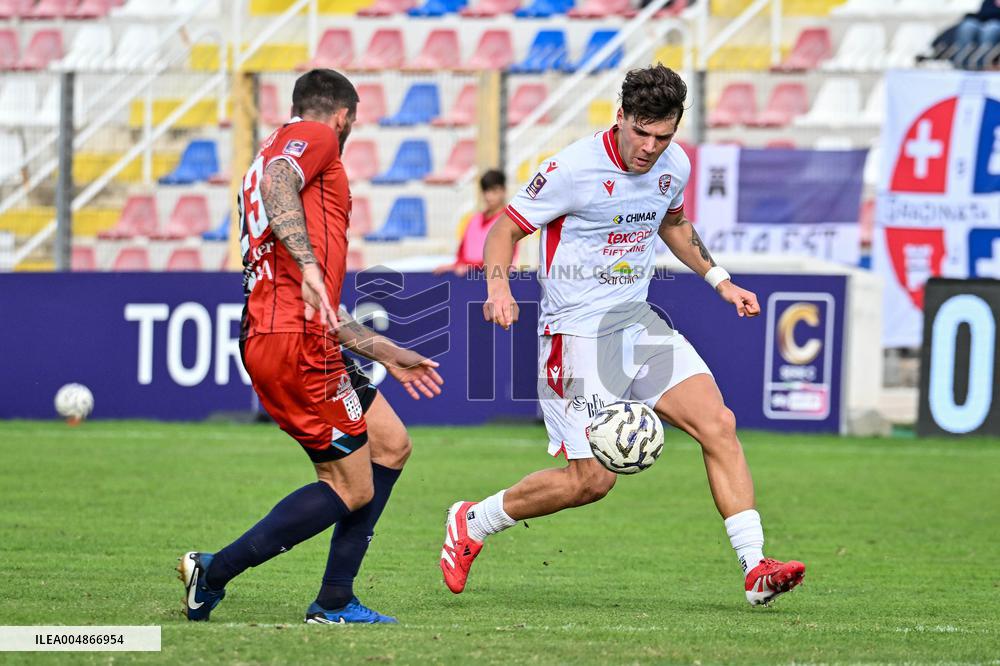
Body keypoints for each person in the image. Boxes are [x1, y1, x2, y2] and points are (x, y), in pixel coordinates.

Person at [439, 65, 805, 606]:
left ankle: (755, 570)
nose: (651, 147)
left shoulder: (672, 164)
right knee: (591, 481)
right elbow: (505, 229)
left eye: (664, 136)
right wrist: (498, 288)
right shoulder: (571, 168)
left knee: (718, 423)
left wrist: (720, 281)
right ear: (621, 118)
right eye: (642, 132)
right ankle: (474, 520)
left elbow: (673, 223)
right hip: (577, 336)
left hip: (635, 324)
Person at [177, 69, 442, 625]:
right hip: (291, 340)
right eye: (353, 120)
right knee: (349, 486)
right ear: (344, 116)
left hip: (299, 331)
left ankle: (335, 598)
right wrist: (308, 265)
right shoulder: (313, 139)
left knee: (390, 444)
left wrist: (388, 352)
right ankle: (219, 572)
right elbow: (280, 181)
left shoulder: (278, 153)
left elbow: (312, 295)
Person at [434, 169, 508, 276]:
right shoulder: (474, 219)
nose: (489, 196)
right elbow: (461, 253)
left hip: (495, 279)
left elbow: (503, 259)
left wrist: (470, 267)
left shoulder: (508, 221)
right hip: (469, 279)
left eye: (494, 191)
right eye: (486, 191)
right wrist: (453, 266)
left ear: (503, 191)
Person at [950, 0, 1000, 69]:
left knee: (991, 28)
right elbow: (982, 13)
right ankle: (961, 63)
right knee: (968, 25)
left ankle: (981, 64)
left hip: (994, 25)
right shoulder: (989, 2)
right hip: (984, 23)